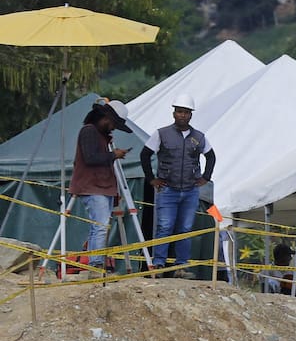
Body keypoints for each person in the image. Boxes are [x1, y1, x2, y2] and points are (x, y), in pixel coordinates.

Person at [140, 94, 215, 279]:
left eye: (186, 112)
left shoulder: (199, 137)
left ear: (191, 115)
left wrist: (206, 177)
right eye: (179, 111)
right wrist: (151, 179)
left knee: (185, 228)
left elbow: (211, 156)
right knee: (164, 226)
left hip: (190, 190)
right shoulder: (161, 133)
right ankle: (158, 264)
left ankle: (181, 266)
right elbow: (144, 155)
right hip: (167, 189)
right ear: (174, 113)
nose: (182, 115)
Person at [68, 99, 132, 279]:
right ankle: (96, 265)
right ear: (104, 118)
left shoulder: (102, 136)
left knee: (99, 226)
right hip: (92, 186)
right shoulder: (89, 131)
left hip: (102, 186)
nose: (113, 128)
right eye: (112, 124)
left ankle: (96, 262)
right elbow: (90, 158)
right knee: (101, 226)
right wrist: (114, 155)